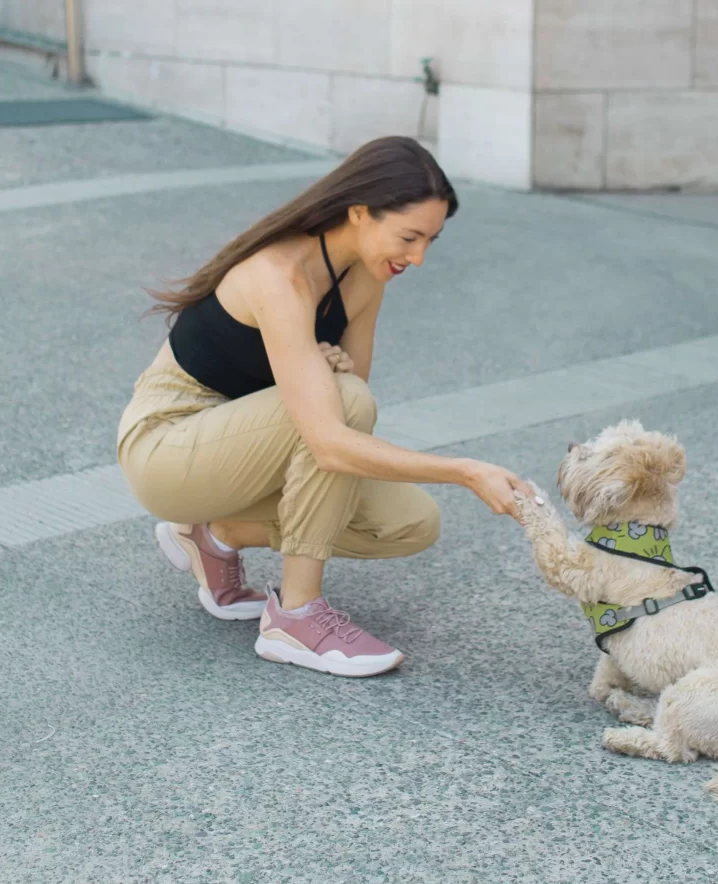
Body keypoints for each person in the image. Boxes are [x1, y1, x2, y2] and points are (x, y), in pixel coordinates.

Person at [117, 136, 531, 678]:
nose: (419, 257)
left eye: (431, 240)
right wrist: (465, 471)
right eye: (409, 237)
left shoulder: (366, 275)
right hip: (167, 447)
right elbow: (333, 436)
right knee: (341, 409)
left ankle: (215, 535)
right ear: (360, 212)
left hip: (242, 452)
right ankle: (295, 617)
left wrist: (323, 372)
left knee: (411, 524)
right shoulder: (278, 275)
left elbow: (349, 402)